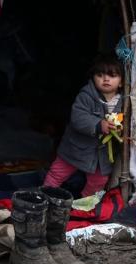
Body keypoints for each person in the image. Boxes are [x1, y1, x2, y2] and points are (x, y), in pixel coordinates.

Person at [42, 55, 124, 196]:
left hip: (102, 155)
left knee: (98, 181)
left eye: (112, 75)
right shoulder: (86, 96)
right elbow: (78, 117)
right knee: (58, 172)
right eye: (100, 75)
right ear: (93, 78)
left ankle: (83, 204)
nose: (106, 79)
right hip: (76, 148)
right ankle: (44, 196)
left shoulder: (124, 102)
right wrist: (98, 124)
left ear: (121, 82)